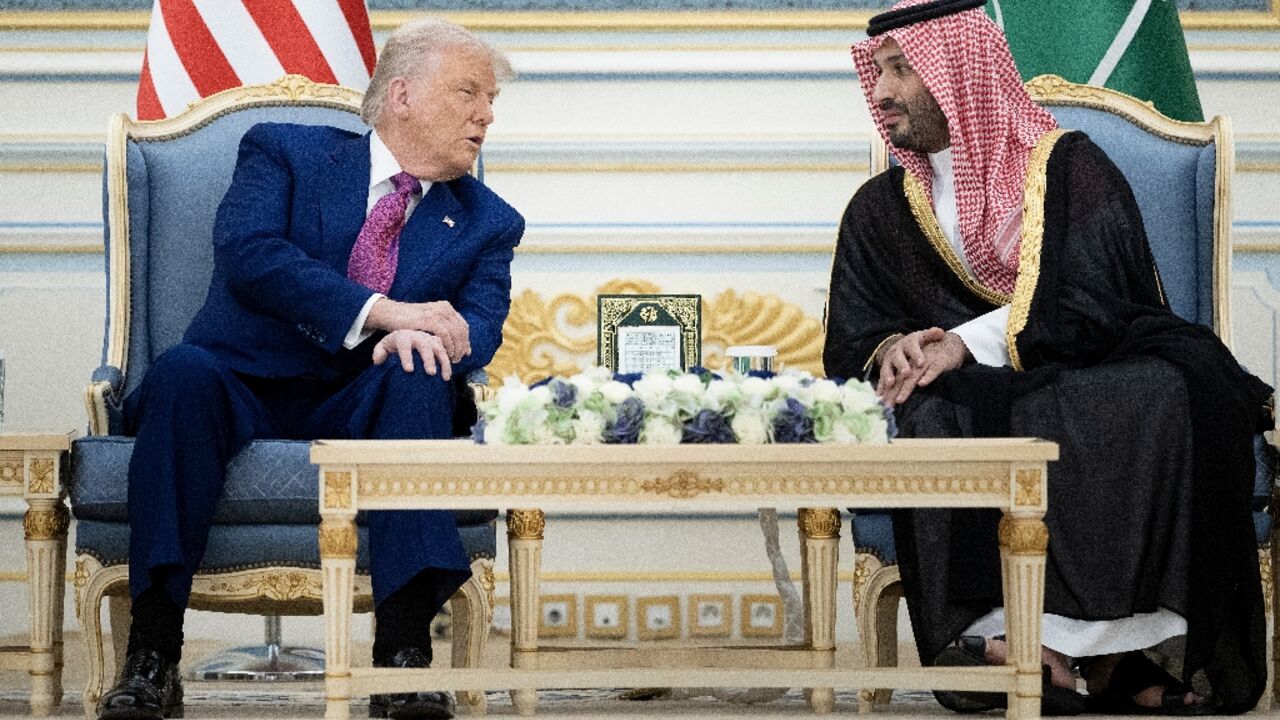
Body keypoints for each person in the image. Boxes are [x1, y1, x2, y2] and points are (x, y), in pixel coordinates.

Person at [824, 0, 1273, 714]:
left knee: (1158, 390)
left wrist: (960, 343)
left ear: (959, 71)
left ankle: (1127, 655)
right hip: (974, 398)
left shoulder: (1066, 167)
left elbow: (1097, 299)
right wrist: (894, 348)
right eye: (877, 72)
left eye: (901, 69)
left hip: (1090, 364)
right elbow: (853, 333)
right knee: (937, 413)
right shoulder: (880, 207)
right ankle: (1024, 644)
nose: (881, 93)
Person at [97, 17, 523, 720]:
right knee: (180, 374)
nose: (486, 114)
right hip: (244, 378)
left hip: (372, 398)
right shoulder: (286, 151)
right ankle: (153, 654)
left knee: (421, 372)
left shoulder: (488, 220)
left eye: (491, 101)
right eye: (470, 92)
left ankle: (404, 661)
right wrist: (383, 313)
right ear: (405, 96)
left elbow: (477, 329)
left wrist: (435, 338)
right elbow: (251, 252)